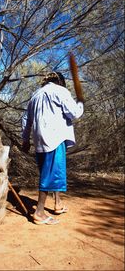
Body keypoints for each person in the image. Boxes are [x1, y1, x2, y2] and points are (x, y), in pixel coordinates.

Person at [22, 71, 84, 225]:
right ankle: (39, 212)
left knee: (49, 171)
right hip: (54, 138)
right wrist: (81, 103)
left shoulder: (35, 95)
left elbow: (25, 119)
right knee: (50, 174)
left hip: (39, 140)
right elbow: (75, 113)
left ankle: (58, 203)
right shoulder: (60, 91)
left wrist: (25, 140)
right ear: (60, 82)